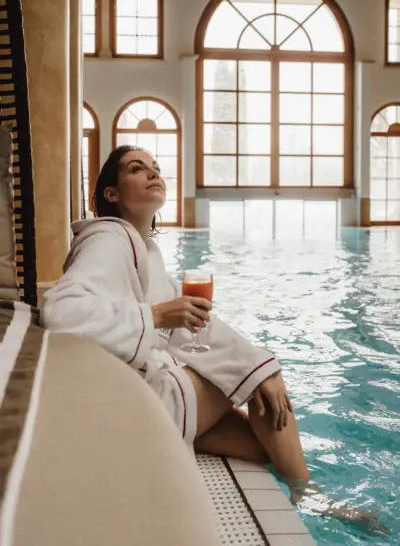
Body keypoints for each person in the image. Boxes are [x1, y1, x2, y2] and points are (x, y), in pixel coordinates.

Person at [44, 146, 385, 536]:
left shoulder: (144, 251)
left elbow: (192, 327)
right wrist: (256, 368)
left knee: (265, 443)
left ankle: (297, 480)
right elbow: (61, 311)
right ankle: (308, 494)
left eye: (157, 168)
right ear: (111, 193)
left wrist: (261, 362)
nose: (154, 174)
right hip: (126, 405)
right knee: (254, 382)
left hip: (138, 395)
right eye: (138, 169)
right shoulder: (108, 238)